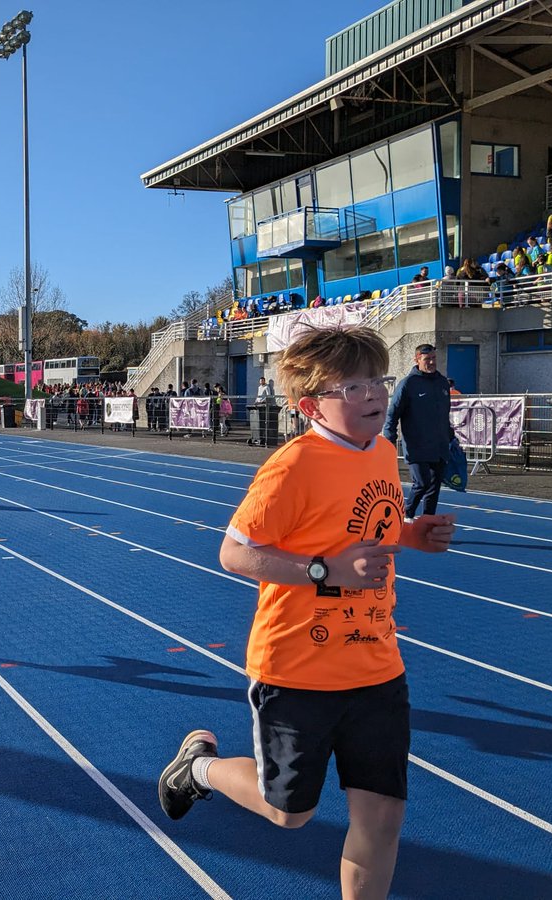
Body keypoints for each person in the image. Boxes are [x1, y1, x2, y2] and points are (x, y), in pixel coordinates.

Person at [157, 325, 455, 900]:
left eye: (376, 380)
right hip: (297, 671)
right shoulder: (293, 466)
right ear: (310, 406)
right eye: (353, 386)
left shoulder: (384, 453)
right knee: (289, 814)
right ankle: (198, 769)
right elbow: (233, 552)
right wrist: (328, 571)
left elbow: (372, 525)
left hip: (376, 667)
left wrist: (413, 535)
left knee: (383, 818)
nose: (371, 394)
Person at [383, 344, 453, 519]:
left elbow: (444, 413)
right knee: (422, 483)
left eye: (434, 358)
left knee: (434, 487)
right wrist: (389, 438)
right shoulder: (408, 384)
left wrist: (450, 436)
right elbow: (393, 413)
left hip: (439, 445)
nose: (431, 362)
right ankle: (407, 514)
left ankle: (427, 521)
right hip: (416, 445)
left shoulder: (442, 382)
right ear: (417, 360)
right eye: (427, 359)